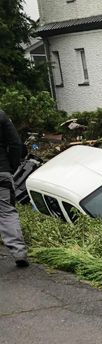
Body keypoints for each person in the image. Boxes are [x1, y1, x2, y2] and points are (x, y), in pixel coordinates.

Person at [0, 109, 28, 267]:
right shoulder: (2, 115)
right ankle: (19, 253)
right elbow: (16, 143)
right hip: (2, 172)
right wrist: (11, 166)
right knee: (7, 213)